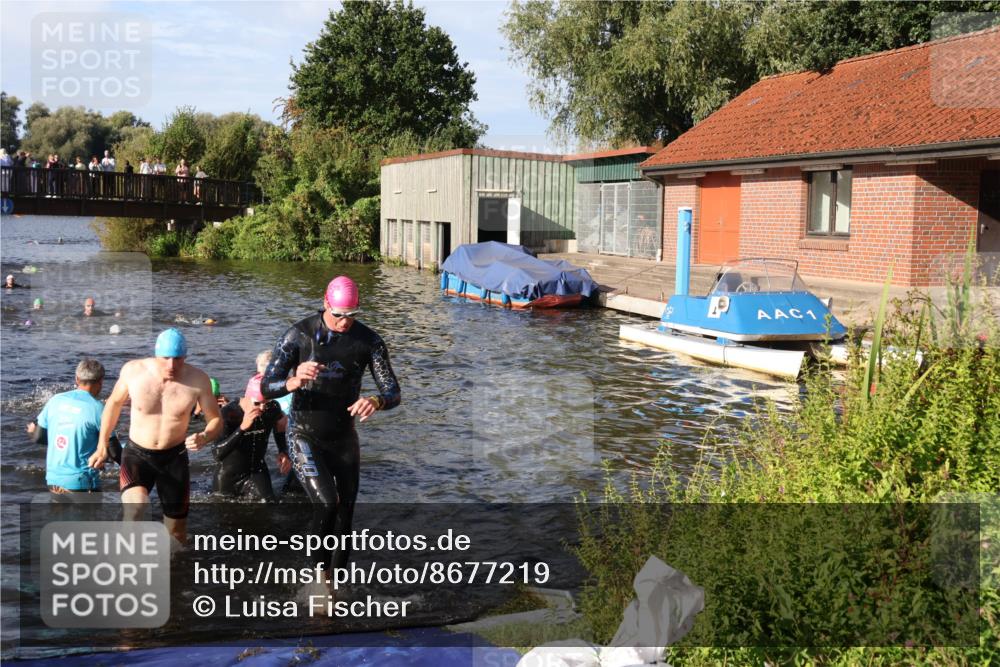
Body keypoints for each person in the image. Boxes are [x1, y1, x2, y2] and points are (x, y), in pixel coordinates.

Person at [261, 276, 400, 583]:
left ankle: (337, 584)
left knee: (346, 512)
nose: (344, 322)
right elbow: (266, 386)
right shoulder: (298, 335)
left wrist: (376, 401)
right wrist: (292, 382)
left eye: (351, 315)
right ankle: (318, 581)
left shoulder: (370, 342)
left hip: (343, 437)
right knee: (327, 504)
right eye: (338, 314)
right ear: (326, 304)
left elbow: (393, 391)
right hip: (304, 434)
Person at [88, 328, 222, 544]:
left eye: (177, 359)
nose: (171, 365)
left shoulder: (198, 380)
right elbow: (113, 404)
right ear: (155, 355)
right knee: (137, 509)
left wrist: (204, 436)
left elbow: (216, 420)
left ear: (185, 357)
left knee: (177, 533)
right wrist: (102, 444)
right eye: (165, 358)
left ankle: (175, 573)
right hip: (137, 455)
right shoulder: (134, 371)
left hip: (174, 458)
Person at [26, 359, 121, 494]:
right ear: (101, 381)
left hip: (53, 481)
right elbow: (115, 451)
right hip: (81, 484)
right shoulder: (98, 408)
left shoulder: (55, 400)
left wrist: (32, 432)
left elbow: (38, 437)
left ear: (77, 379)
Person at [211, 374, 291, 501]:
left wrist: (283, 450)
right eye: (257, 403)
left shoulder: (273, 408)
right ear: (247, 397)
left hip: (257, 471)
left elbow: (279, 429)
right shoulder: (228, 413)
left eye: (267, 402)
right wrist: (242, 428)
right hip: (228, 476)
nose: (262, 408)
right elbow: (217, 453)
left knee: (269, 505)